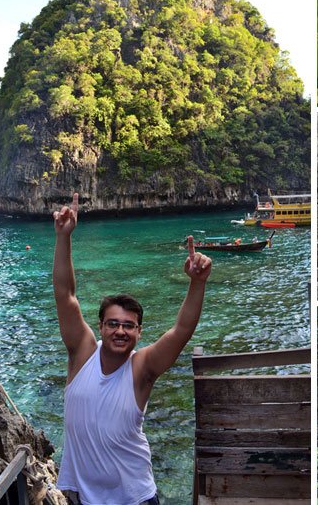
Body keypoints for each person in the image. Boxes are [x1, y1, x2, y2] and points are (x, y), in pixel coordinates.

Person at [53, 192, 211, 505]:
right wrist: (64, 237)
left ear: (139, 332)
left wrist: (198, 282)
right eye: (113, 323)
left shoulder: (142, 369)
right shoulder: (82, 353)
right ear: (100, 327)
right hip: (82, 497)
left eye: (129, 325)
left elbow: (181, 331)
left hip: (135, 498)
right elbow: (65, 294)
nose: (120, 331)